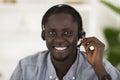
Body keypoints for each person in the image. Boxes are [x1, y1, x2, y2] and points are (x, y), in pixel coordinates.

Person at [10, 4, 120, 80]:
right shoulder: (25, 67)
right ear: (44, 35)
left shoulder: (102, 66)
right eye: (52, 33)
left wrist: (99, 69)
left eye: (67, 33)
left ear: (80, 36)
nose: (59, 40)